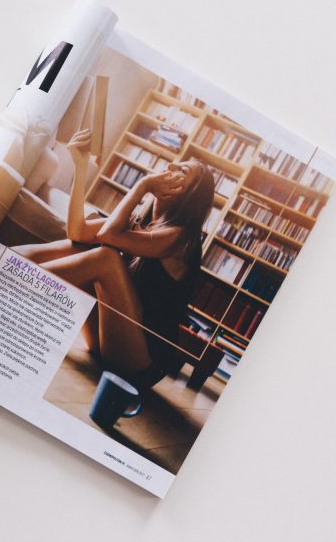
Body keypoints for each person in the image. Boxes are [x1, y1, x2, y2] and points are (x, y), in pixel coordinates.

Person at [14, 128, 215, 388]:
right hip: (108, 340)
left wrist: (142, 186)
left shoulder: (181, 238)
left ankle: (7, 287)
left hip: (142, 363)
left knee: (106, 257)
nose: (171, 164)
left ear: (190, 194)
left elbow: (108, 236)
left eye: (182, 171)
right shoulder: (140, 220)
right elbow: (76, 231)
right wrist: (81, 164)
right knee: (81, 246)